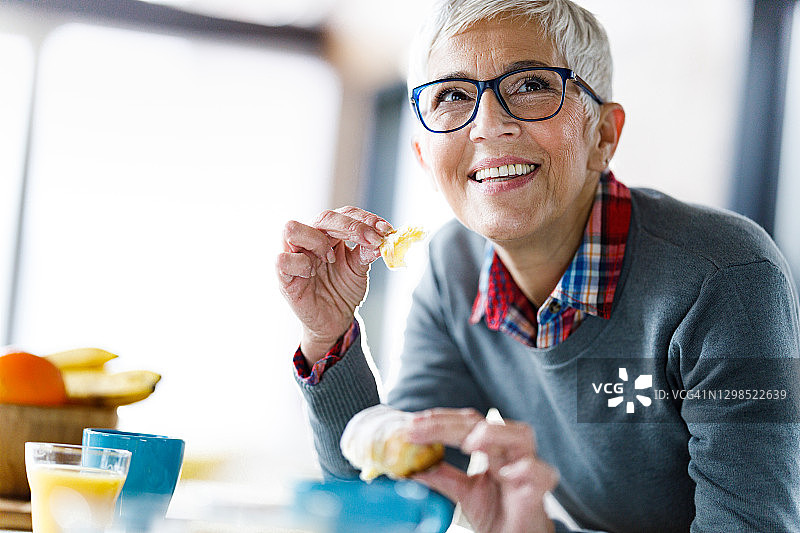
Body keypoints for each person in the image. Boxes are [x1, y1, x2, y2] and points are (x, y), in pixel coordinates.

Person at [276, 0, 800, 531]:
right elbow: (394, 503)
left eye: (531, 85)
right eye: (452, 96)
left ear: (603, 137)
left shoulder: (726, 277)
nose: (487, 126)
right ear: (424, 160)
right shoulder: (453, 268)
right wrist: (328, 334)